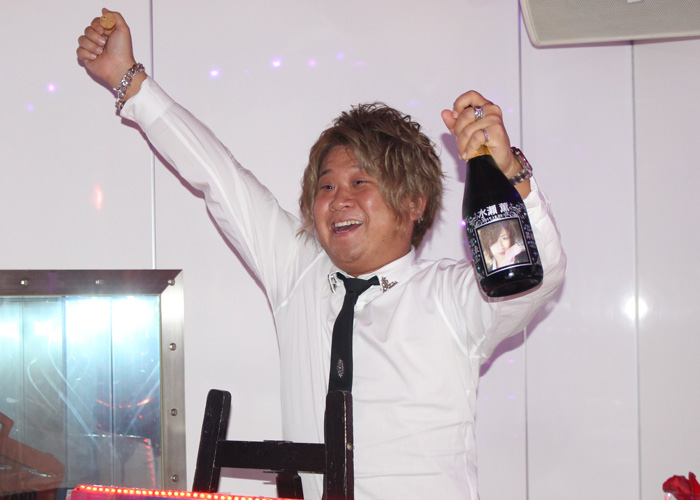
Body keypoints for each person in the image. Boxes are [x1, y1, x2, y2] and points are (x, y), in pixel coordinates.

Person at [77, 9, 566, 500]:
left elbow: (539, 275)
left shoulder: (451, 295)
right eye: (327, 186)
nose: (339, 200)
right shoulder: (299, 272)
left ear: (414, 203)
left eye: (361, 182)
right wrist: (129, 80)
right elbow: (218, 175)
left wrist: (509, 172)